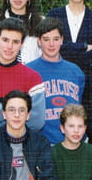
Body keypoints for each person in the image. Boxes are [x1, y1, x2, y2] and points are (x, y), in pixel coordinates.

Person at [0, 18, 45, 140]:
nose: (9, 46)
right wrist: (21, 109)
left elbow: (37, 121)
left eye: (15, 42)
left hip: (20, 145)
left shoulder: (33, 78)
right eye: (5, 40)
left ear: (21, 45)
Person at [27, 17, 85, 145]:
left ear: (62, 40)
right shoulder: (28, 71)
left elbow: (80, 108)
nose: (51, 44)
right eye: (46, 39)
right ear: (39, 41)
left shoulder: (75, 71)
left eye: (56, 39)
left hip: (71, 142)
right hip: (41, 143)